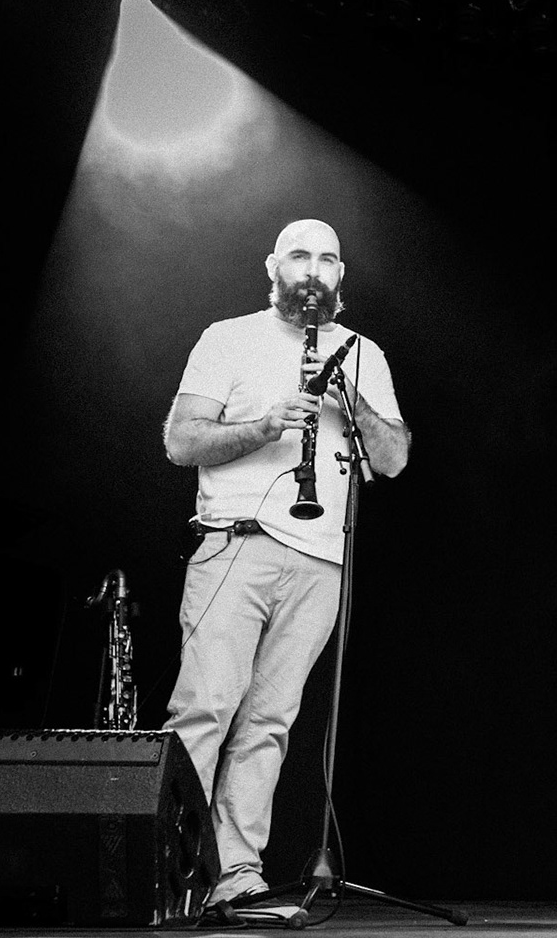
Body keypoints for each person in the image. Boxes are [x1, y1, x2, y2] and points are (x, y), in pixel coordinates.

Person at [161, 219, 410, 914]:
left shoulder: (363, 352)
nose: (312, 269)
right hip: (236, 541)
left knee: (270, 721)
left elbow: (390, 459)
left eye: (327, 259)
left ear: (340, 277)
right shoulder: (228, 337)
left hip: (321, 559)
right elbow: (181, 442)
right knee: (205, 708)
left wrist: (346, 396)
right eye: (299, 254)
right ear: (273, 265)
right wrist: (265, 427)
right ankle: (166, 871)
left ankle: (235, 876)